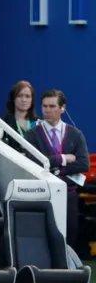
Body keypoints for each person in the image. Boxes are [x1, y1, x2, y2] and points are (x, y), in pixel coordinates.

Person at [24, 89, 89, 249]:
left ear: (62, 108)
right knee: (44, 236)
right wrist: (62, 159)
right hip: (43, 192)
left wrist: (56, 170)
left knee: (70, 234)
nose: (47, 110)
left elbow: (83, 164)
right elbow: (32, 162)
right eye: (45, 106)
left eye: (52, 106)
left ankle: (68, 271)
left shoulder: (75, 134)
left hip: (69, 194)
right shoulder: (32, 134)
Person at [3, 80, 38, 151]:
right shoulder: (4, 123)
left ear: (32, 100)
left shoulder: (38, 123)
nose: (24, 100)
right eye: (20, 96)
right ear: (13, 99)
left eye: (27, 96)